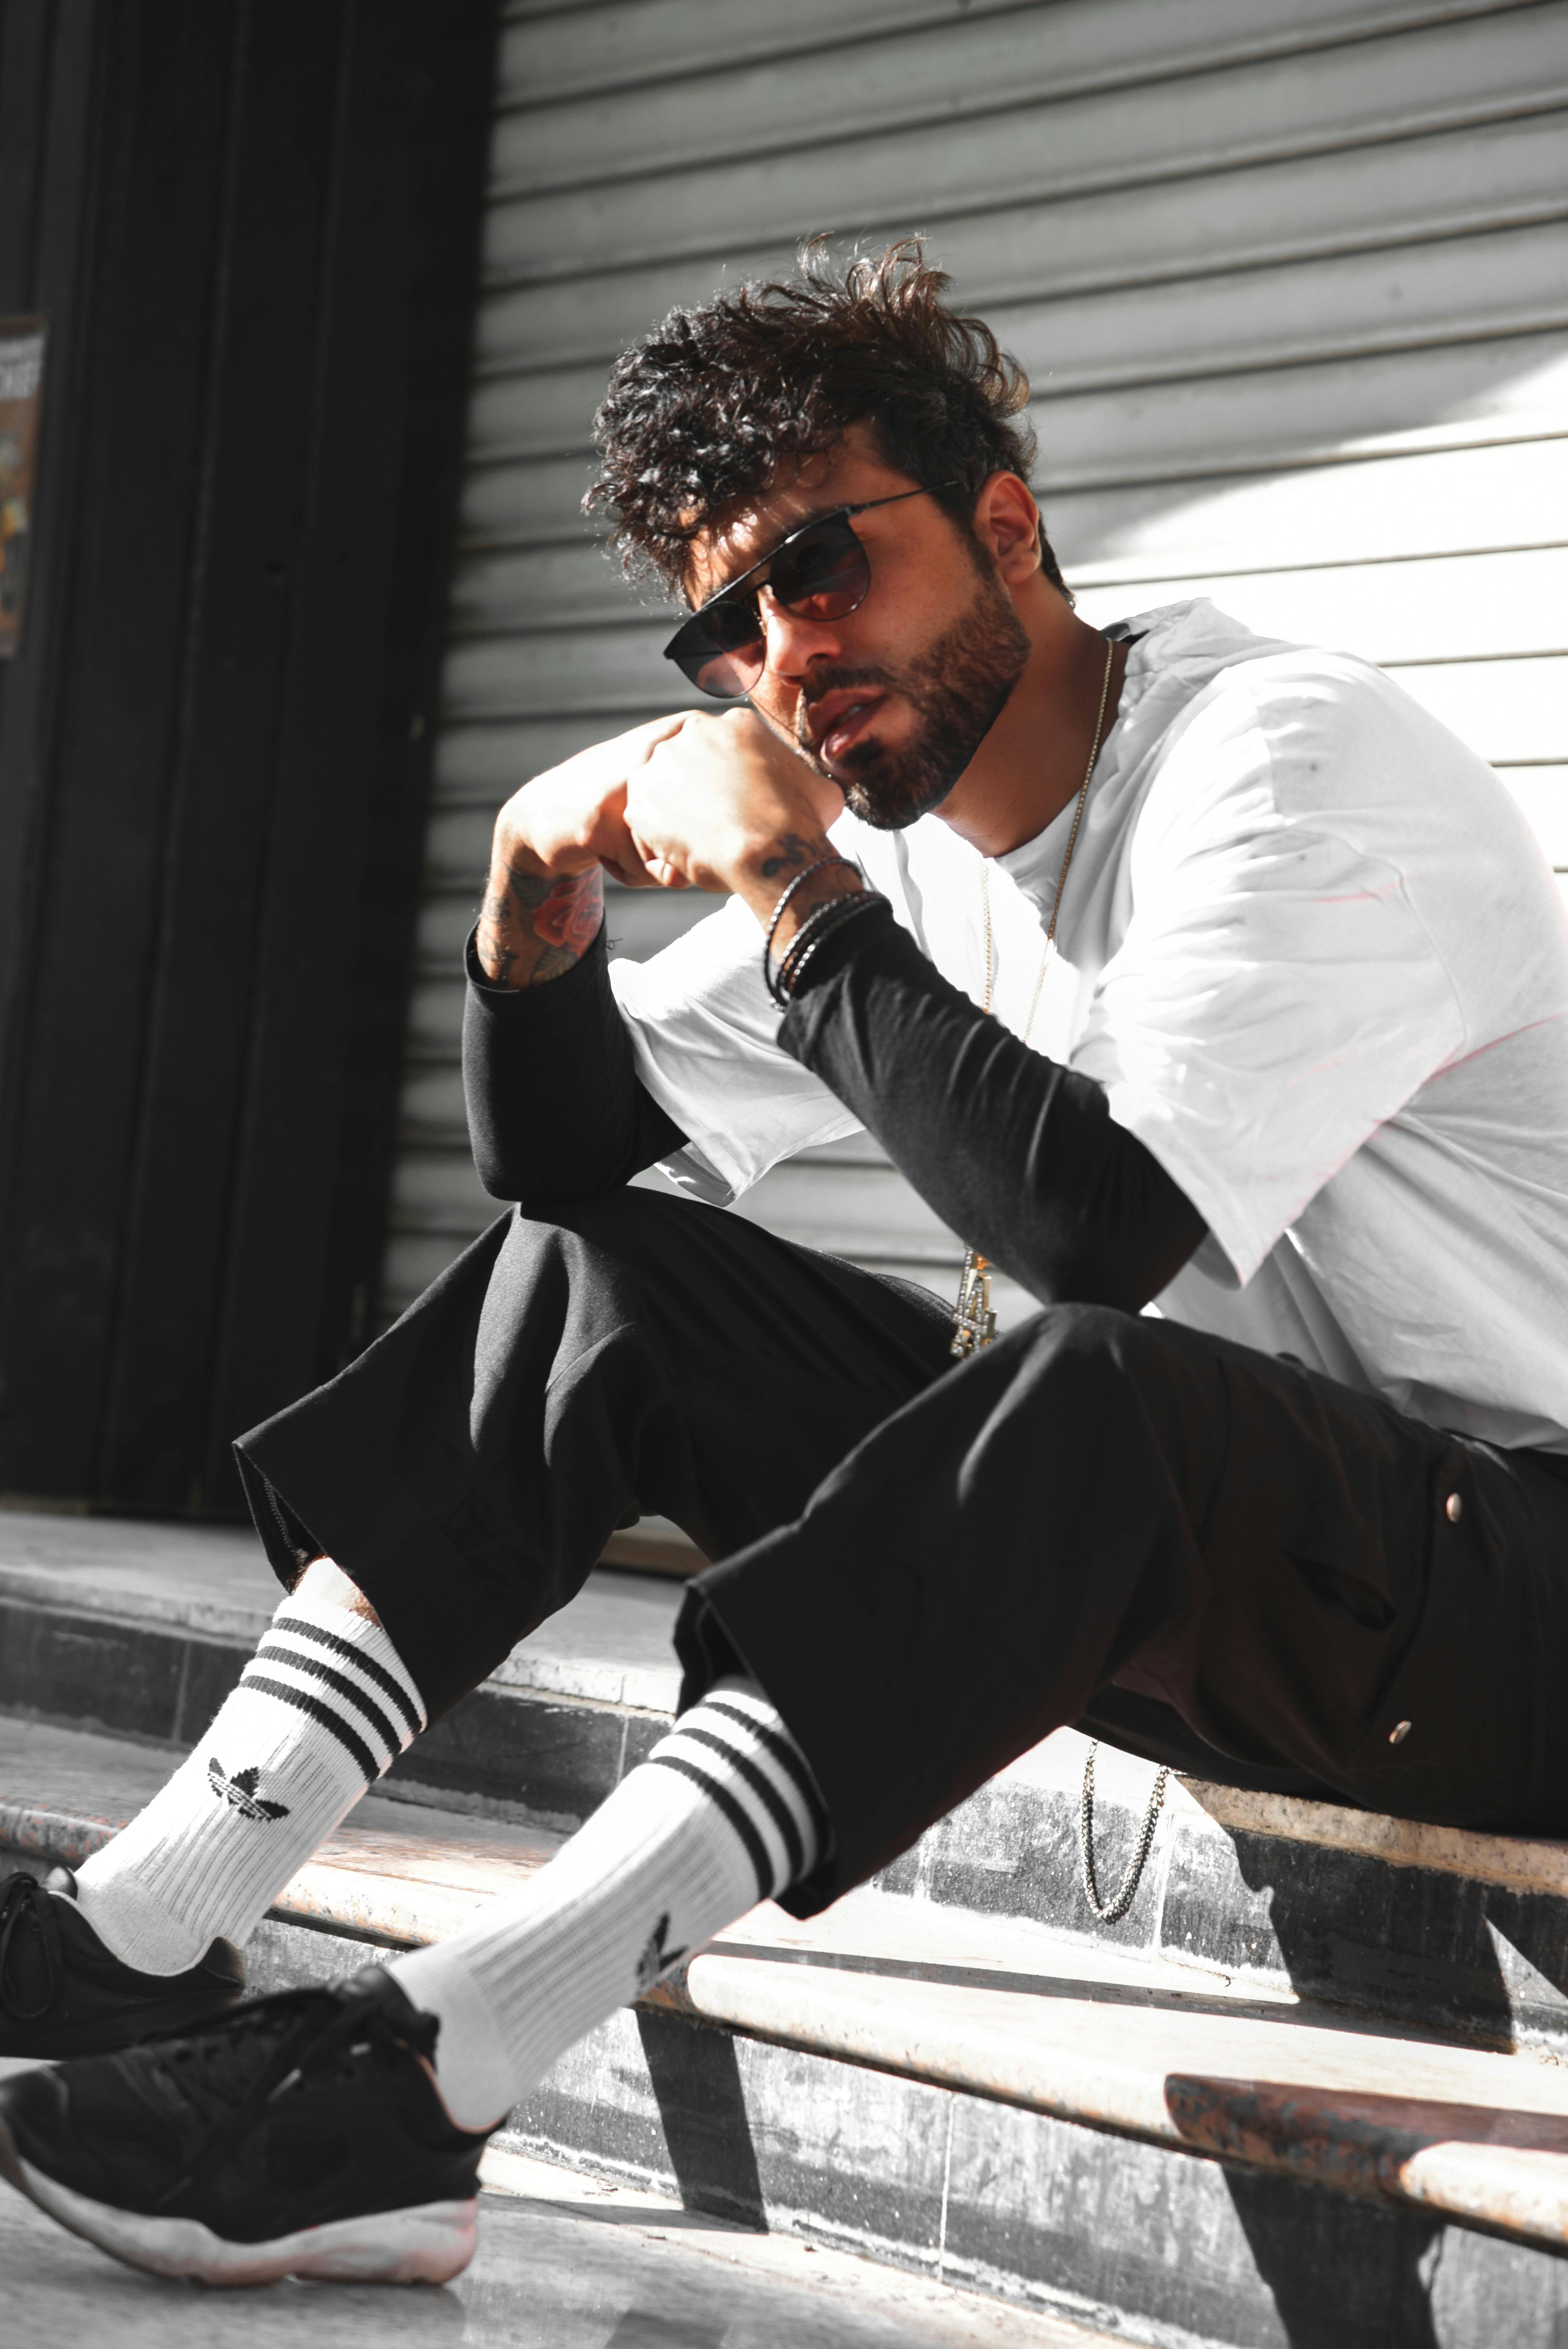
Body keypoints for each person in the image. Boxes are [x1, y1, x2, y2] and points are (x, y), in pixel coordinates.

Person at [5, 242, 1568, 2287]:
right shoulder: (907, 846)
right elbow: (569, 1179)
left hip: (1509, 1595)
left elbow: (1094, 1230)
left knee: (1093, 1390)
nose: (781, 659)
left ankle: (414, 2084)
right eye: (727, 626)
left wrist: (792, 888)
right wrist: (527, 917)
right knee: (621, 1284)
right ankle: (149, 1923)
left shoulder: (1275, 767)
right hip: (1253, 1596)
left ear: (1005, 527)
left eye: (822, 571)